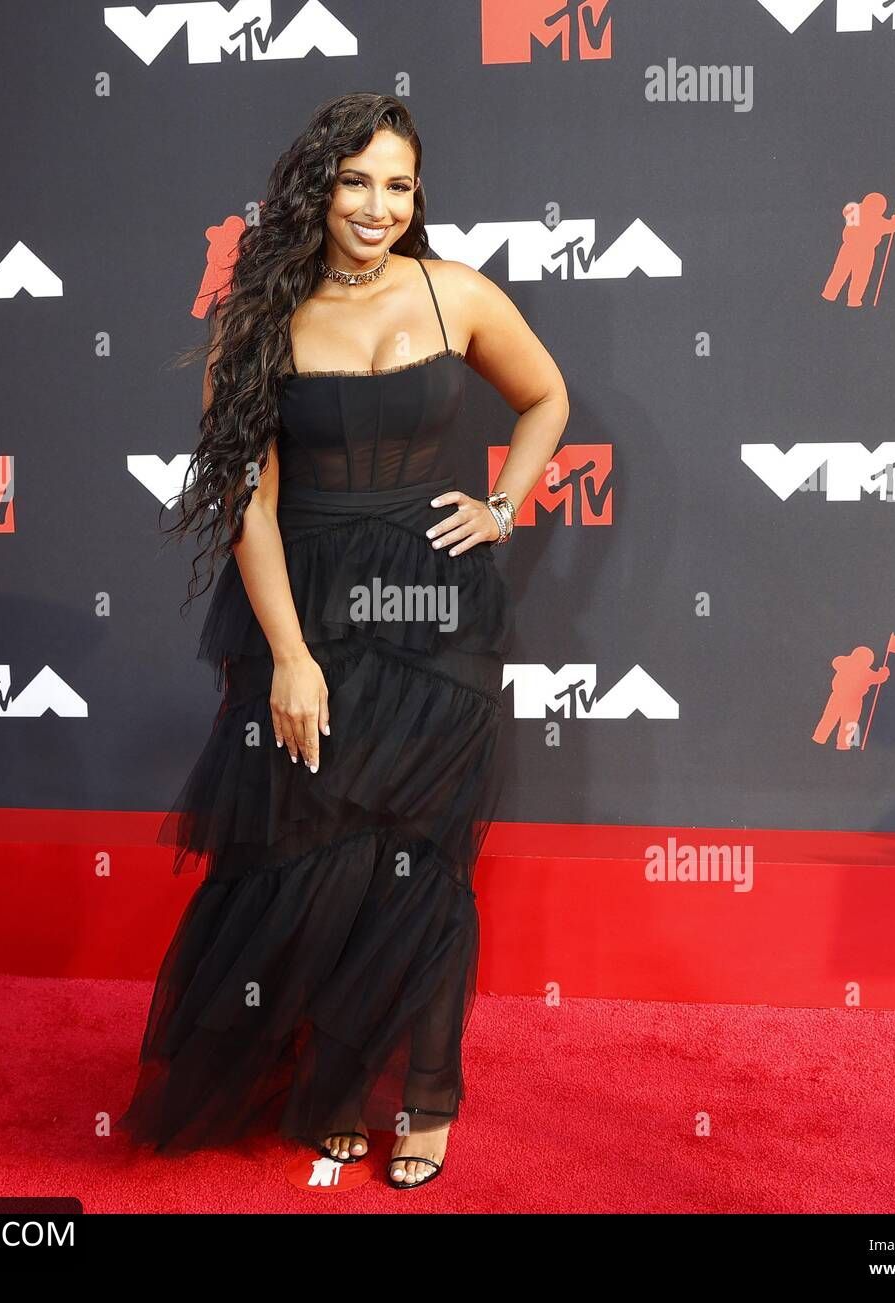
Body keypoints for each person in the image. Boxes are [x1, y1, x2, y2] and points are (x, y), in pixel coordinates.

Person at [116, 92, 568, 1189]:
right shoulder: (255, 320)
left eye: (398, 184)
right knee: (314, 855)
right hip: (309, 611)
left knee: (426, 862)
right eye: (356, 180)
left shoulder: (456, 292)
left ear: (418, 196)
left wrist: (502, 507)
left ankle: (423, 1099)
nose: (377, 205)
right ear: (316, 187)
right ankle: (329, 1090)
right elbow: (250, 504)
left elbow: (545, 397)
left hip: (436, 609)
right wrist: (289, 655)